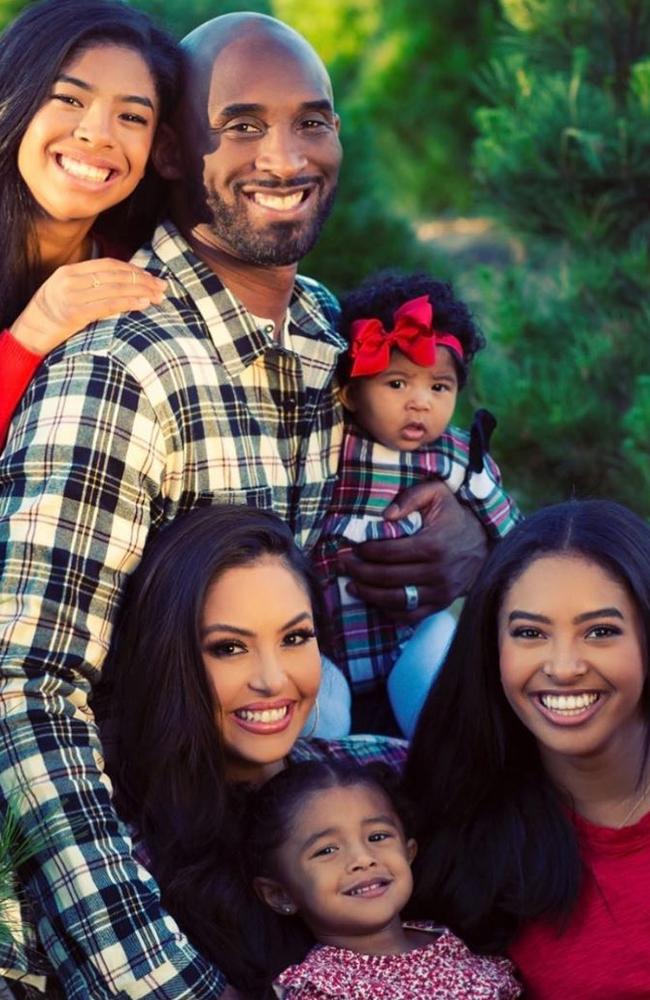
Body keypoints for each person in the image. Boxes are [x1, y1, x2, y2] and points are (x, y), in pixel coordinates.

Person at [0, 10, 489, 997]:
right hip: (134, 907)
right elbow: (25, 695)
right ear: (175, 152)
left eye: (313, 120)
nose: (286, 154)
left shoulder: (321, 330)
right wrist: (164, 982)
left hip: (273, 873)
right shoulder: (123, 368)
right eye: (243, 125)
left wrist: (467, 534)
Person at [97, 504, 407, 997]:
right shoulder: (127, 862)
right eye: (229, 648)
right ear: (169, 660)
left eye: (295, 638)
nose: (272, 679)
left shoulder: (387, 769)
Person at [403, 499, 650, 999]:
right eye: (530, 633)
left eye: (600, 631)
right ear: (493, 649)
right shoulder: (448, 839)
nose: (562, 666)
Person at [312, 273, 522, 735]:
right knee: (320, 719)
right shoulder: (328, 445)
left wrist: (508, 560)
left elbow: (508, 528)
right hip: (326, 642)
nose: (420, 404)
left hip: (409, 636)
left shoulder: (451, 456)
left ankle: (443, 763)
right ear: (349, 393)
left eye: (439, 387)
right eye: (397, 384)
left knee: (437, 688)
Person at [0, 0, 177, 449]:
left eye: (132, 117)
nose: (97, 132)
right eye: (69, 98)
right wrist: (33, 332)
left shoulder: (137, 270)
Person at [248, 760, 521, 999]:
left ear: (408, 852)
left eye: (377, 837)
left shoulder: (447, 938)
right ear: (279, 894)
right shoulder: (320, 989)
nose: (363, 859)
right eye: (327, 850)